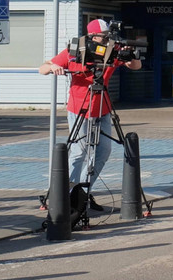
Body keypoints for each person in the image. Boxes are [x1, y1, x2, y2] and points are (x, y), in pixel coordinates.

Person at [39, 19, 141, 210]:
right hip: (79, 108)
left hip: (102, 107)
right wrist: (53, 67)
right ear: (93, 35)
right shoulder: (76, 49)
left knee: (103, 151)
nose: (107, 39)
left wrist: (130, 55)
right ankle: (65, 196)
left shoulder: (112, 50)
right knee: (79, 152)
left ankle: (83, 194)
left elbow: (135, 66)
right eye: (104, 36)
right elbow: (43, 68)